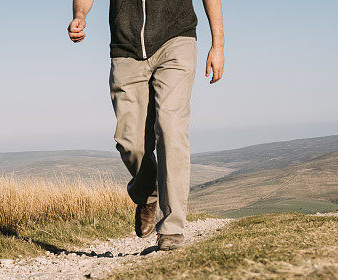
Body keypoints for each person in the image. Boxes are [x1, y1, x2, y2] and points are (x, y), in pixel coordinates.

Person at [68, 0, 224, 250]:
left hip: (176, 38)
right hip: (125, 48)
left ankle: (171, 229)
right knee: (130, 143)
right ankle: (148, 192)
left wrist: (218, 44)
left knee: (171, 131)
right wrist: (80, 15)